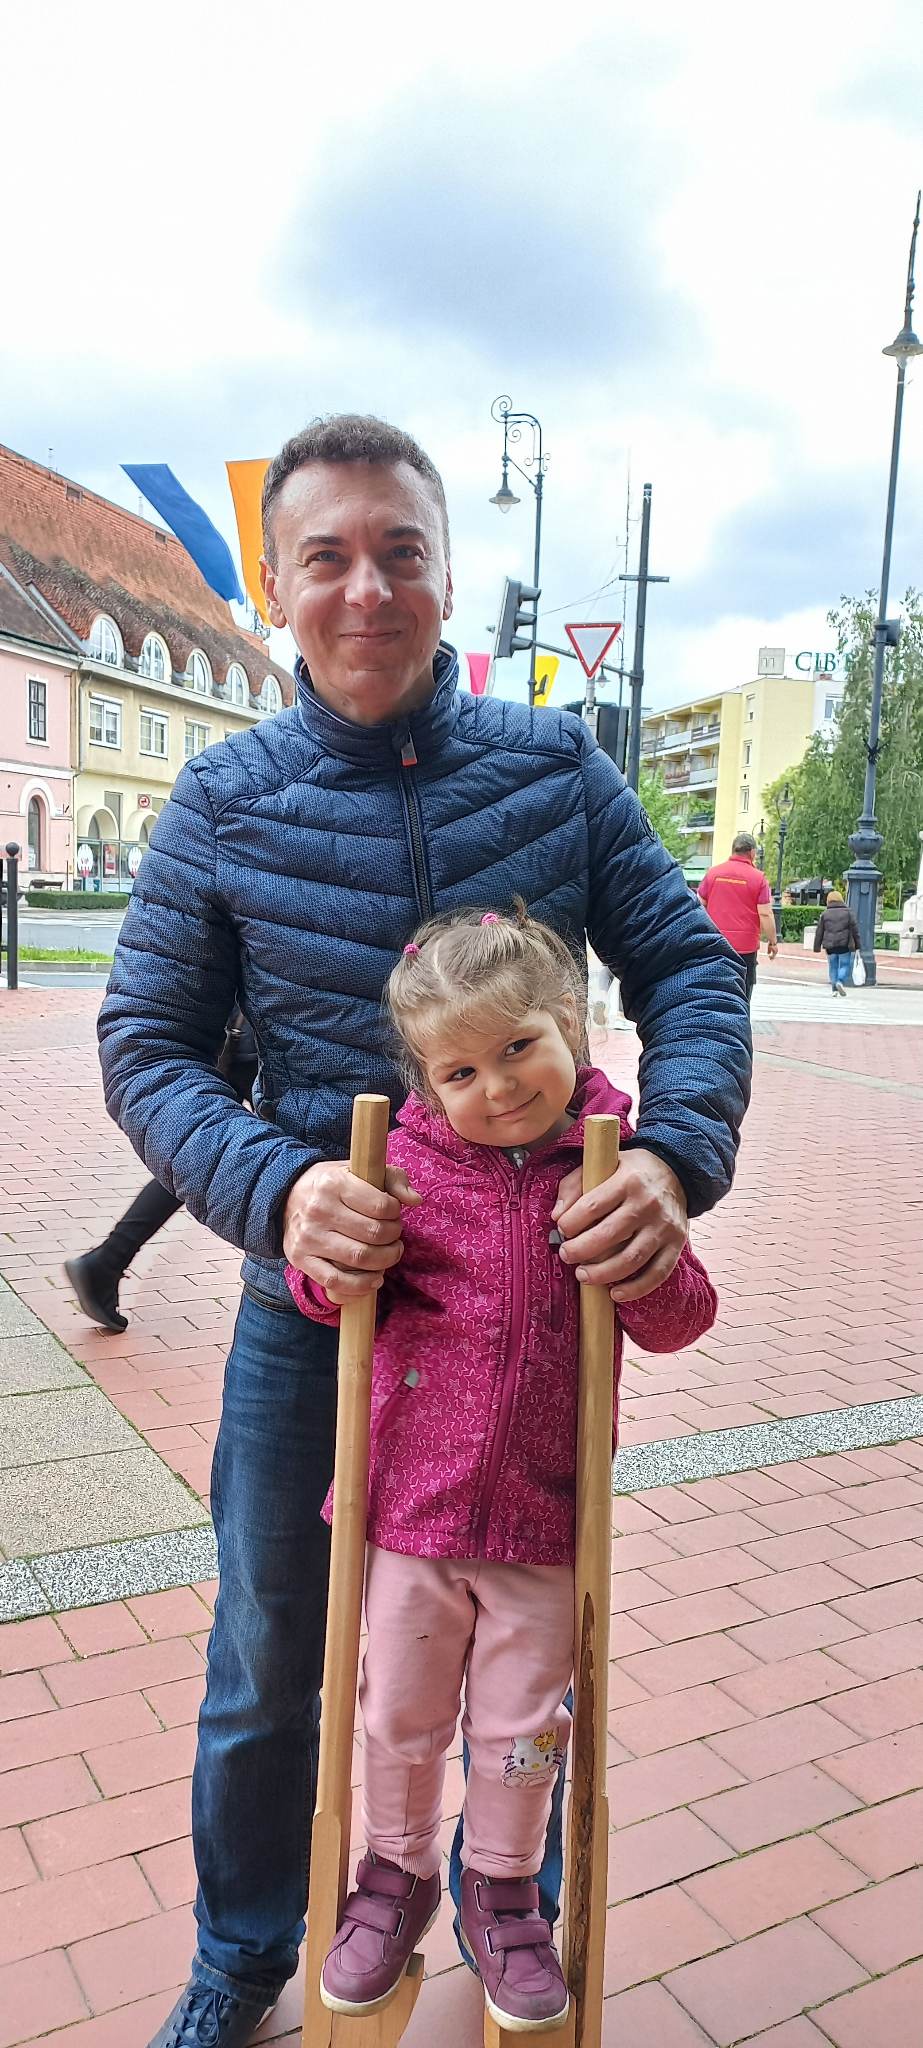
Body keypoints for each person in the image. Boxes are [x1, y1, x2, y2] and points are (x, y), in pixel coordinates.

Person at [96, 413, 751, 2048]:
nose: (366, 588)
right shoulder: (224, 798)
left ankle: (503, 1898)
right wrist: (274, 1186)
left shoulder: (553, 769)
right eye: (326, 556)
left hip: (526, 1322)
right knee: (272, 1657)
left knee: (530, 1643)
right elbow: (147, 1044)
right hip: (316, 1307)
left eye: (400, 551)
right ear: (277, 586)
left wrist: (671, 1156)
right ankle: (246, 1950)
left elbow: (686, 968)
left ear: (449, 575)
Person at [285, 902, 717, 2030]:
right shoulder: (402, 1166)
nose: (498, 1085)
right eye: (460, 1070)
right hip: (410, 1515)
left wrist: (640, 1252)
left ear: (569, 1020)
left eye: (518, 1044)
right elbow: (325, 1298)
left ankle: (504, 1889)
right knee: (397, 1712)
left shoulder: (613, 1166)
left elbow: (680, 1319)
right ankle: (394, 1871)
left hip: (542, 1518)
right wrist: (333, 1258)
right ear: (425, 1084)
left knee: (524, 1727)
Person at [65, 1010, 258, 1332]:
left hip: (245, 1040)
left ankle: (108, 1260)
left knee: (201, 1154)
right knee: (219, 1156)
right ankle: (107, 1261)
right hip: (266, 1048)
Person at [698, 832, 777, 1001]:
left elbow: (700, 904)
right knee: (742, 994)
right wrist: (773, 941)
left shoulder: (713, 873)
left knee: (714, 989)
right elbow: (765, 913)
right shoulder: (758, 878)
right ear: (752, 853)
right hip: (745, 948)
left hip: (716, 942)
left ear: (733, 850)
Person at [813, 889, 861, 996]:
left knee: (833, 966)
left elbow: (819, 931)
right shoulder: (848, 913)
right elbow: (855, 930)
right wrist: (858, 945)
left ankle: (834, 989)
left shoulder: (825, 914)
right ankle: (840, 981)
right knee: (844, 965)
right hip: (844, 945)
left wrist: (817, 946)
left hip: (830, 946)